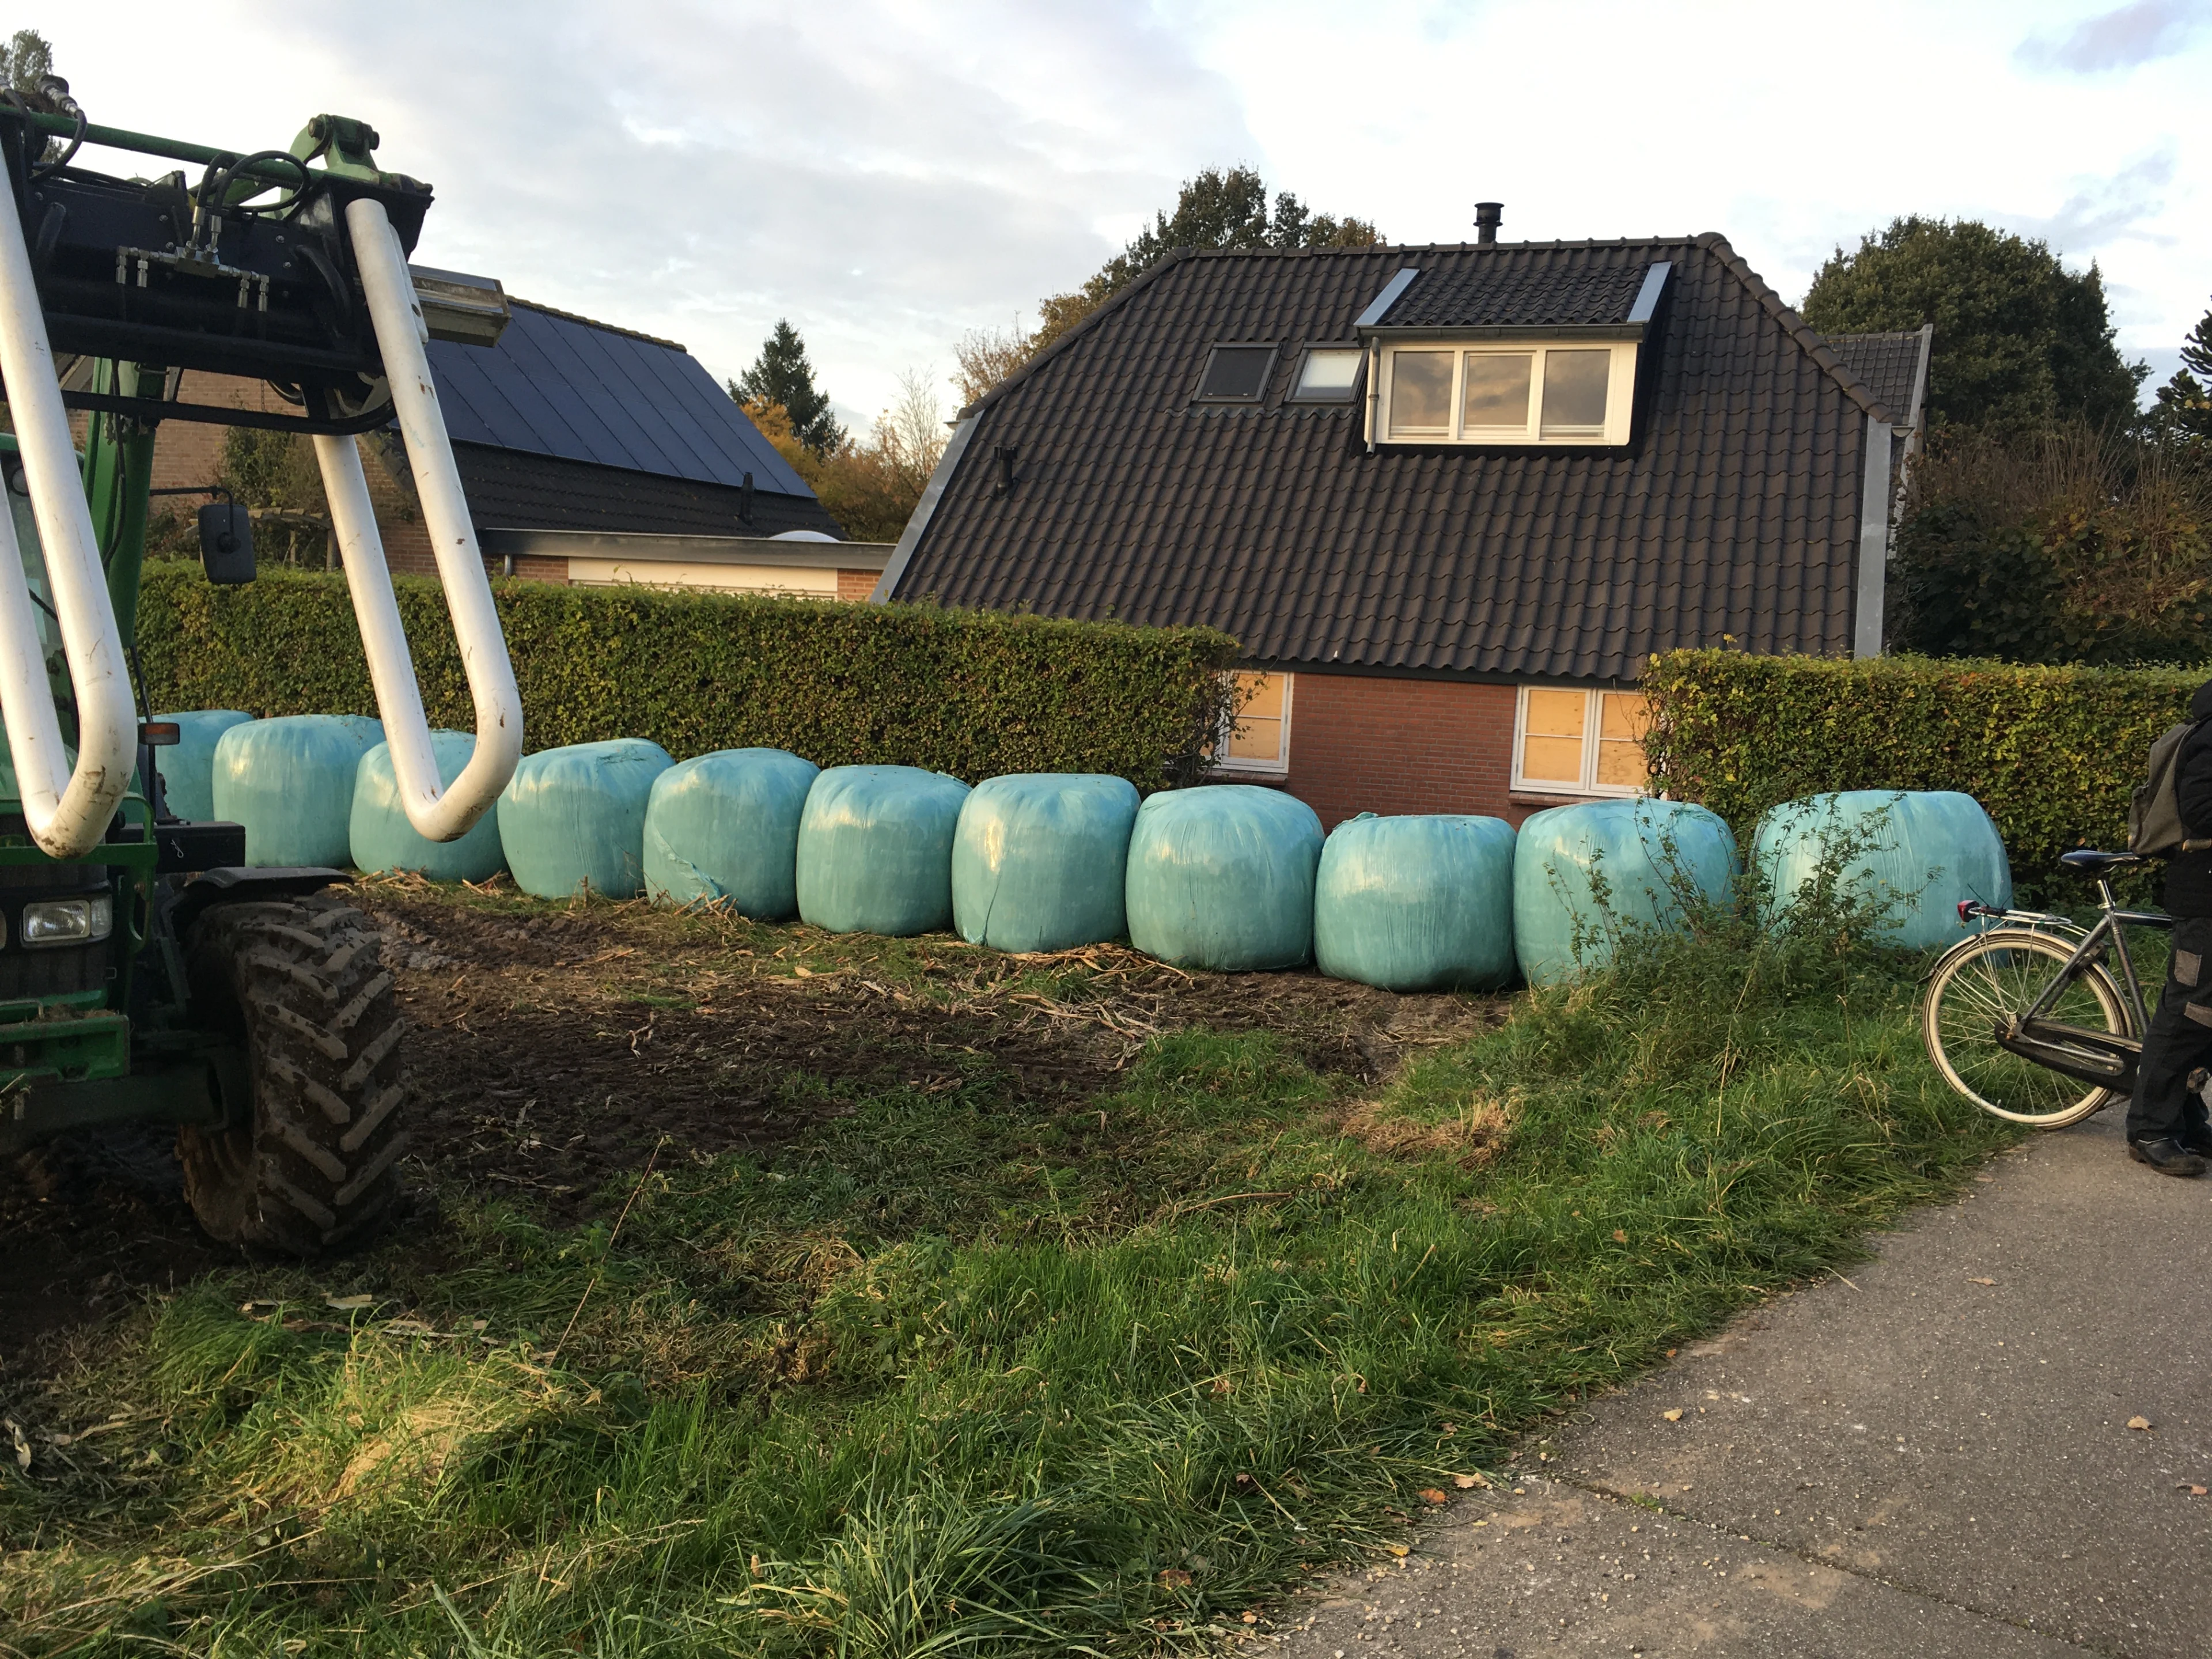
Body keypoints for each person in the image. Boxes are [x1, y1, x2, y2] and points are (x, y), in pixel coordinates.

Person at [2129, 677, 2212, 1175]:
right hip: (2204, 896)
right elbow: (2200, 811)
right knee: (2190, 1011)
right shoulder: (2208, 737)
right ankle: (2149, 1129)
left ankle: (2185, 1117)